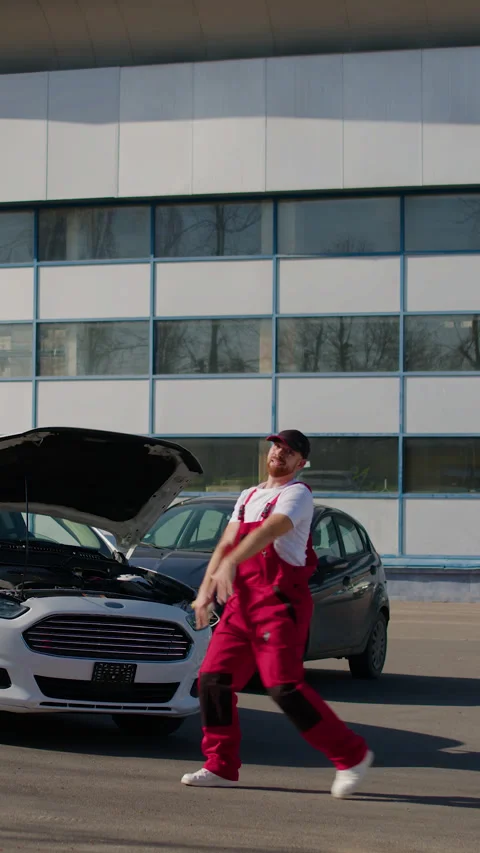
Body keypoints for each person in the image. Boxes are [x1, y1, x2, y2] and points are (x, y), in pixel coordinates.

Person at [181, 430, 373, 798]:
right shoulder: (248, 496)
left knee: (283, 686)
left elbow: (272, 530)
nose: (279, 454)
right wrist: (205, 590)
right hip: (241, 605)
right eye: (276, 447)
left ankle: (352, 755)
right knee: (213, 680)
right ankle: (220, 765)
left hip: (279, 603)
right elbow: (226, 543)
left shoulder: (298, 495)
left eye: (289, 451)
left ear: (301, 462)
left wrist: (232, 563)